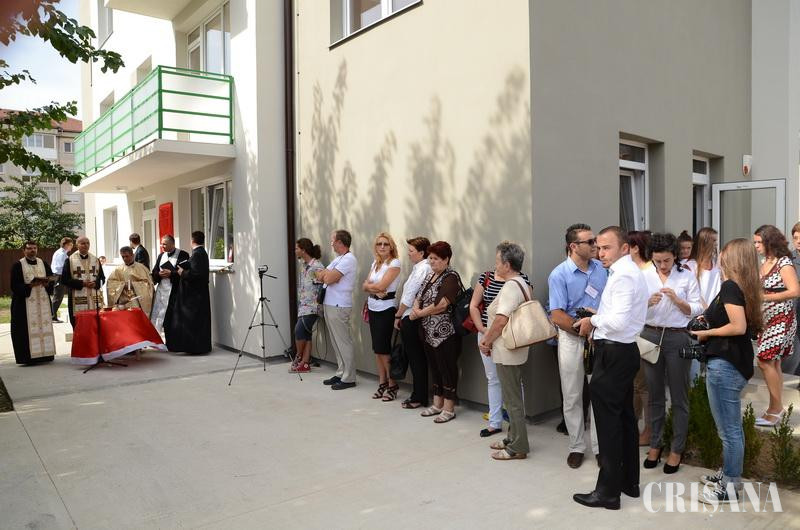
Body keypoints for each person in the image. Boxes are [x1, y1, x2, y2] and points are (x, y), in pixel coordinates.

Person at [573, 226, 648, 510]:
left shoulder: (624, 276)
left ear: (625, 248)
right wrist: (599, 315)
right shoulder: (626, 272)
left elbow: (617, 322)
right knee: (625, 419)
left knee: (608, 425)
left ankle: (607, 492)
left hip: (615, 354)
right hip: (622, 352)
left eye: (607, 248)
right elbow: (620, 316)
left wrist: (592, 321)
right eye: (598, 248)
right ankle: (628, 482)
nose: (600, 253)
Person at [691, 238, 763, 504]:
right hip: (732, 364)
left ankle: (730, 486)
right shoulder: (743, 286)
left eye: (724, 251)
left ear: (732, 258)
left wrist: (706, 332)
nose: (720, 254)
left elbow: (738, 326)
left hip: (725, 365)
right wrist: (707, 319)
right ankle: (728, 475)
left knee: (729, 431)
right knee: (731, 429)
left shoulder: (731, 286)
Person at [640, 233, 702, 474]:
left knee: (679, 395)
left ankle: (677, 449)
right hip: (650, 335)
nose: (662, 265)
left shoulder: (686, 275)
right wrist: (647, 303)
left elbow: (698, 308)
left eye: (666, 260)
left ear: (675, 255)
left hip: (677, 336)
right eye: (657, 261)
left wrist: (679, 301)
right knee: (654, 394)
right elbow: (632, 307)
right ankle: (655, 444)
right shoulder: (644, 275)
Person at [547, 223, 606, 468]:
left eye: (595, 241)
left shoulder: (602, 269)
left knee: (599, 394)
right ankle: (576, 446)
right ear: (573, 246)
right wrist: (581, 328)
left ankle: (600, 448)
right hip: (572, 339)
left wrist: (596, 326)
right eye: (590, 242)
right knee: (572, 395)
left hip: (600, 337)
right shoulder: (559, 274)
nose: (595, 246)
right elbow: (557, 315)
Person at [479, 241, 532, 460]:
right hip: (512, 350)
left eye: (497, 262)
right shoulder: (521, 282)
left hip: (507, 350)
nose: (495, 266)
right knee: (511, 398)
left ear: (507, 265)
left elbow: (501, 319)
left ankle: (518, 447)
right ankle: (512, 437)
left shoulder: (511, 286)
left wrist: (486, 341)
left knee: (512, 401)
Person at [753, 225, 800, 426]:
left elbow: (795, 291)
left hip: (781, 319)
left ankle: (776, 407)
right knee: (774, 363)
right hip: (766, 320)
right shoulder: (764, 262)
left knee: (764, 361)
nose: (756, 246)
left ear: (769, 241)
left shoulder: (784, 263)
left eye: (758, 242)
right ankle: (774, 407)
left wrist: (765, 297)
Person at [411, 241, 462, 423]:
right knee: (435, 368)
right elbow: (418, 296)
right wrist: (416, 309)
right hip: (427, 331)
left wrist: (419, 314)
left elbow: (442, 305)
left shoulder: (451, 277)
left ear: (446, 259)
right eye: (430, 258)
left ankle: (449, 408)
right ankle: (437, 403)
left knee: (447, 368)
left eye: (436, 258)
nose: (431, 261)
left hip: (445, 334)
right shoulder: (430, 275)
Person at [317, 230, 358, 390]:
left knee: (343, 342)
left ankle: (349, 377)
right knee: (336, 342)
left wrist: (328, 275)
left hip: (339, 305)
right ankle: (341, 372)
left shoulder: (348, 259)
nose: (331, 243)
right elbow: (319, 275)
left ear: (340, 242)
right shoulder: (338, 259)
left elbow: (327, 278)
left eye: (332, 240)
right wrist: (328, 275)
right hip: (330, 304)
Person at [363, 233, 402, 401]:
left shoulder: (394, 263)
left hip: (386, 308)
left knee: (384, 349)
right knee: (377, 349)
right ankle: (382, 383)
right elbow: (364, 285)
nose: (382, 246)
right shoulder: (375, 263)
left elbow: (382, 286)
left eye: (386, 244)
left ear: (391, 246)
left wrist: (373, 287)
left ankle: (392, 384)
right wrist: (373, 288)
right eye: (379, 244)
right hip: (373, 307)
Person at [394, 237, 432, 409]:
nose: (408, 254)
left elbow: (409, 296)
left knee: (416, 358)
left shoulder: (422, 268)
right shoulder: (419, 268)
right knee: (416, 358)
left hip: (411, 318)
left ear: (421, 253)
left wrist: (398, 315)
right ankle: (419, 395)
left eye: (411, 251)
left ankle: (419, 397)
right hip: (411, 317)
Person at [683, 227, 722, 382]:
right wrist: (707, 311)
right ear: (704, 242)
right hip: (697, 317)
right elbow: (694, 293)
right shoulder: (691, 266)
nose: (716, 244)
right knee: (695, 361)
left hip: (714, 316)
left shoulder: (716, 264)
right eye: (713, 240)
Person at [10, 241, 56, 364]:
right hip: (24, 303)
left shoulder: (43, 263)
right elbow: (14, 285)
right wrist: (29, 286)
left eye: (34, 248)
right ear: (24, 250)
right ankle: (28, 358)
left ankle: (45, 355)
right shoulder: (18, 265)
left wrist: (48, 283)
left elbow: (51, 279)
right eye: (29, 248)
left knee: (44, 326)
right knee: (25, 330)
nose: (32, 250)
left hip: (42, 302)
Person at [628, 230, 653, 445]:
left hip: (645, 335)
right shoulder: (634, 270)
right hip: (632, 334)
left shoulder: (649, 272)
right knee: (636, 385)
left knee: (644, 386)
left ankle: (649, 431)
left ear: (635, 248)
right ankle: (633, 426)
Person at [169, 231, 212, 354]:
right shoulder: (201, 253)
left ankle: (195, 348)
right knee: (198, 321)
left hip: (195, 296)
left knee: (194, 322)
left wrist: (182, 272)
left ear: (192, 241)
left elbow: (196, 274)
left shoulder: (198, 254)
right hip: (198, 294)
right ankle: (197, 347)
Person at [291, 238, 324, 373]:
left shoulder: (317, 266)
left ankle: (299, 357)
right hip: (303, 305)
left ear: (303, 250)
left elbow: (323, 283)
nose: (295, 251)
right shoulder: (304, 265)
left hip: (312, 306)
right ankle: (305, 364)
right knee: (306, 333)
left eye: (297, 248)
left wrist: (318, 302)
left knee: (299, 330)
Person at [60, 236, 105, 328]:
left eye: (87, 243)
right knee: (79, 326)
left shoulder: (95, 260)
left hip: (94, 298)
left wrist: (95, 283)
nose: (86, 245)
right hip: (77, 298)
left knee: (96, 325)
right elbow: (64, 280)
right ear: (77, 245)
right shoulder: (70, 260)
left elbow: (102, 278)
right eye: (83, 243)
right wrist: (82, 284)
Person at [150, 235, 190, 334]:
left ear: (172, 244)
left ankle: (173, 338)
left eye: (164, 244)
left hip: (175, 291)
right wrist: (159, 274)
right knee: (158, 314)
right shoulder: (161, 256)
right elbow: (154, 271)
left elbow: (185, 272)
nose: (162, 246)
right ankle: (157, 336)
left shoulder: (182, 254)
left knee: (172, 318)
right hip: (162, 290)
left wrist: (171, 273)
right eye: (161, 244)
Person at [107, 246, 155, 316]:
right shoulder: (118, 269)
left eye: (127, 256)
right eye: (123, 257)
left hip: (137, 299)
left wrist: (134, 285)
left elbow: (148, 284)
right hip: (123, 300)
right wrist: (122, 285)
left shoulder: (142, 268)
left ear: (132, 255)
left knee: (136, 318)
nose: (125, 259)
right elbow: (111, 283)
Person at [783, 221, 800, 378]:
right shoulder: (788, 260)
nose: (798, 241)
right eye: (795, 238)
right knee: (793, 358)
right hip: (793, 315)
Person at [50, 237, 73, 322]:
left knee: (59, 296)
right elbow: (63, 267)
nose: (71, 246)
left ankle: (53, 316)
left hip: (59, 276)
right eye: (70, 244)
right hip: (59, 276)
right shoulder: (61, 254)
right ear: (66, 245)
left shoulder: (62, 253)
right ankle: (52, 316)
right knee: (58, 297)